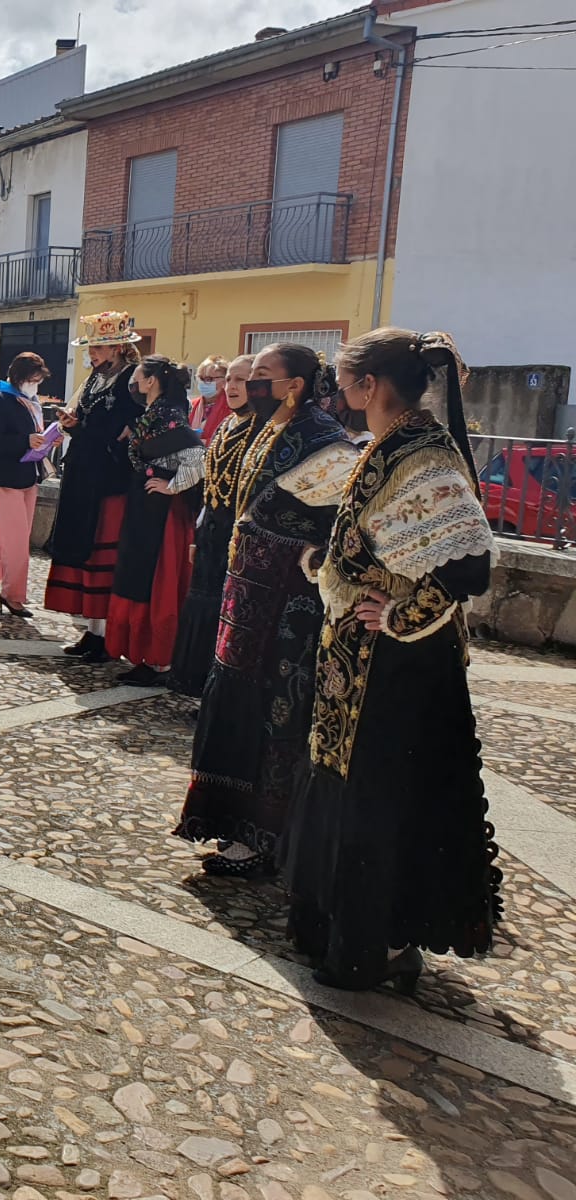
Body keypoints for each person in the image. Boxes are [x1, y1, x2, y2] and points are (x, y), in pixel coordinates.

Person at [281, 328, 499, 992]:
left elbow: (468, 563)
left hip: (399, 670)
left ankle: (383, 937)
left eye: (346, 384)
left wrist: (401, 616)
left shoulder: (425, 454)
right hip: (360, 663)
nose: (340, 397)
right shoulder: (393, 445)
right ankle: (359, 932)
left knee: (387, 799)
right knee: (357, 792)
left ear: (370, 386)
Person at [175, 343, 360, 877]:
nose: (249, 384)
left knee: (276, 717)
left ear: (294, 384)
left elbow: (327, 528)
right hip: (247, 598)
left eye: (261, 375)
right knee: (236, 702)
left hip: (288, 610)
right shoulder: (266, 430)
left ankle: (264, 838)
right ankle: (231, 823)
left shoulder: (322, 441)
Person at [44, 312, 142, 660]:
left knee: (102, 551)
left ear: (117, 347)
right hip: (84, 473)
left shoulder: (131, 381)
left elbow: (124, 431)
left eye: (98, 347)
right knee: (82, 546)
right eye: (91, 348)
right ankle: (91, 629)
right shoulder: (93, 379)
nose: (93, 355)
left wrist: (82, 429)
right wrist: (72, 424)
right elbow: (88, 422)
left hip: (109, 480)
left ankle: (107, 634)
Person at [104, 357, 205, 685]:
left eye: (136, 376)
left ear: (150, 382)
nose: (133, 382)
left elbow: (196, 457)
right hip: (146, 505)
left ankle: (158, 659)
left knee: (156, 579)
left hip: (161, 512)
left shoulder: (167, 415)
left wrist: (171, 485)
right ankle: (145, 654)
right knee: (140, 576)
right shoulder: (157, 414)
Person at [168, 355, 258, 698]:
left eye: (241, 380)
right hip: (212, 530)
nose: (232, 387)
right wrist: (201, 529)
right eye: (230, 379)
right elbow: (212, 485)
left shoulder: (261, 430)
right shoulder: (227, 427)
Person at [0, 352, 48, 615]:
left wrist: (46, 440)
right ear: (19, 376)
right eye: (32, 378)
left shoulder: (32, 402)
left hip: (28, 475)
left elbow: (33, 435)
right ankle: (13, 595)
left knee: (15, 538)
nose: (35, 384)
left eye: (38, 379)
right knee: (17, 544)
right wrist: (26, 441)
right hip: (3, 478)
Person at [189, 355, 230, 445]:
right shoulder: (190, 405)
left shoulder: (231, 407)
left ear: (225, 380)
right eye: (200, 378)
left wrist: (201, 443)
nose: (203, 382)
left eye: (208, 379)